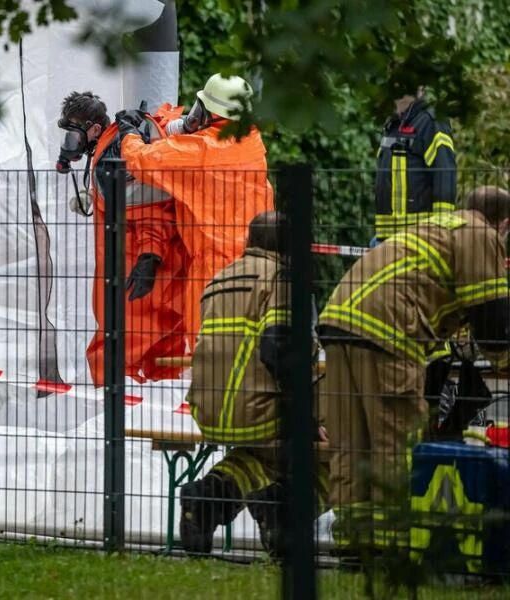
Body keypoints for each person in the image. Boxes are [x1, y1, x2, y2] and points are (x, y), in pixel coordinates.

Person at [318, 186, 510, 553]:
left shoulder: (435, 226)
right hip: (387, 331)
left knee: (351, 446)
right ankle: (394, 548)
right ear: (505, 223)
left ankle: (353, 545)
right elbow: (493, 319)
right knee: (397, 442)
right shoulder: (480, 232)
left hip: (338, 323)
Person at [58, 73, 273, 385]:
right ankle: (244, 414)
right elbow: (180, 143)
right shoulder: (251, 142)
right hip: (258, 259)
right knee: (246, 344)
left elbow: (143, 159)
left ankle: (221, 420)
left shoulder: (202, 150)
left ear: (213, 114)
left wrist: (131, 134)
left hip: (215, 265)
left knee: (211, 349)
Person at [178, 211, 329, 557]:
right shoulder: (283, 280)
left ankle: (204, 500)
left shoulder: (217, 280)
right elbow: (280, 349)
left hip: (210, 411)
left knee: (259, 456)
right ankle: (284, 512)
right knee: (334, 454)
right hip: (257, 411)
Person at [373, 85, 456, 245]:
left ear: (421, 85)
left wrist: (440, 232)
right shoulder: (393, 124)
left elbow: (445, 175)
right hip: (386, 238)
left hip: (419, 238)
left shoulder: (431, 122)